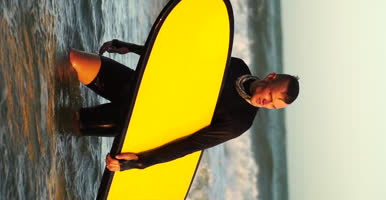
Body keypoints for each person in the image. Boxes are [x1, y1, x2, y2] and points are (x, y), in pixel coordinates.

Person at [69, 39, 300, 172]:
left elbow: (191, 143)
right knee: (68, 61)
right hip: (138, 85)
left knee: (68, 122)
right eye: (270, 95)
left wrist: (141, 162)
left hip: (140, 117)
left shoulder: (239, 121)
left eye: (273, 106)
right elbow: (181, 59)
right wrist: (132, 48)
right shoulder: (237, 67)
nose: (266, 103)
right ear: (270, 77)